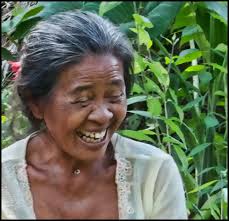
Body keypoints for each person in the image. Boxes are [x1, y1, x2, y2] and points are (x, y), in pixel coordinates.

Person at [2, 10, 187, 219]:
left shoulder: (154, 174)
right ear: (36, 102)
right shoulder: (5, 183)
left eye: (115, 96)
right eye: (82, 100)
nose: (103, 115)